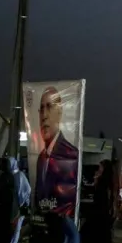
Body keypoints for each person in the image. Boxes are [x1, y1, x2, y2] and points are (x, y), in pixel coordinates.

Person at [32, 87, 80, 218]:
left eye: (49, 107)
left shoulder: (71, 154)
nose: (44, 116)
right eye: (41, 109)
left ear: (60, 111)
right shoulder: (41, 158)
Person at [79, 159, 119, 243]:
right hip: (99, 209)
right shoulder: (106, 180)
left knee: (101, 233)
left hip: (102, 210)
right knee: (90, 231)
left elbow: (106, 196)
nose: (99, 169)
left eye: (101, 167)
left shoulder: (105, 181)